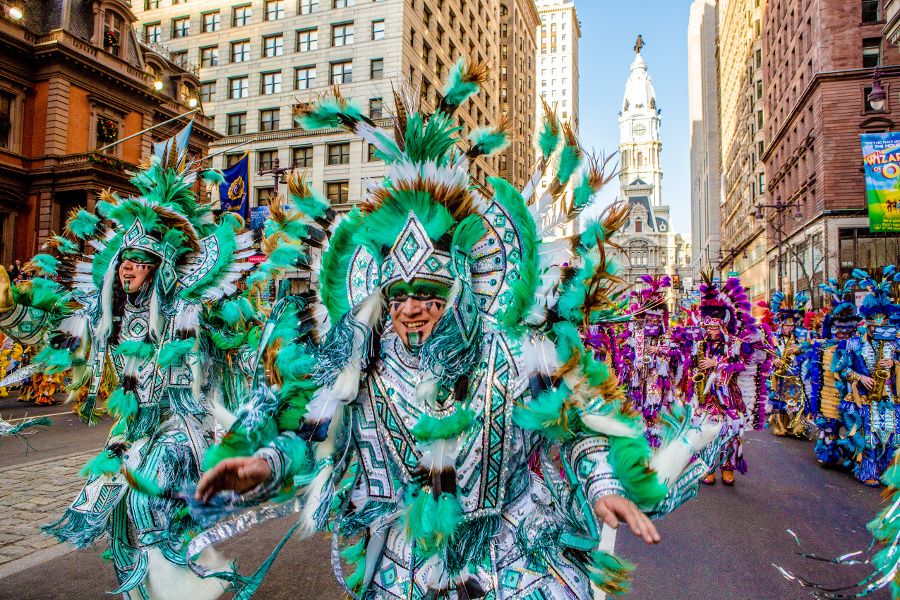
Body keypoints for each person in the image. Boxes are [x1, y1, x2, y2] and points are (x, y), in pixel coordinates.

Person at [188, 63, 723, 598]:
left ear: (462, 291)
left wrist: (603, 486)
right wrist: (262, 467)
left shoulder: (513, 353)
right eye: (398, 296)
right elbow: (308, 437)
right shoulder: (362, 366)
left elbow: (576, 430)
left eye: (429, 295)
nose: (411, 310)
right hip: (405, 569)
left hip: (511, 555)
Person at [0, 142, 256, 598]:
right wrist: (10, 311)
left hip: (184, 423)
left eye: (139, 263)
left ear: (158, 269)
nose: (128, 270)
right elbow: (60, 335)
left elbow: (227, 344)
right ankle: (158, 585)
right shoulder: (110, 315)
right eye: (124, 262)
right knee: (121, 513)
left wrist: (228, 327)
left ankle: (178, 585)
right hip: (134, 428)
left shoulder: (185, 311)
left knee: (145, 495)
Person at [840, 268, 900, 485]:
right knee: (869, 436)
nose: (879, 323)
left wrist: (894, 363)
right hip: (864, 397)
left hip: (888, 397)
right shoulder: (855, 342)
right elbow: (842, 370)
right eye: (875, 319)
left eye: (883, 319)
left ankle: (886, 472)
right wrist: (860, 378)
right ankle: (867, 471)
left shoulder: (895, 343)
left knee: (892, 435)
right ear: (868, 320)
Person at [690, 273, 748, 486]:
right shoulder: (701, 342)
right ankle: (708, 467)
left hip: (727, 396)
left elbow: (741, 364)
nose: (712, 331)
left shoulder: (733, 342)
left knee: (729, 432)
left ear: (723, 324)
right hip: (705, 396)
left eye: (716, 327)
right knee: (705, 431)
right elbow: (691, 363)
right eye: (709, 327)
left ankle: (727, 467)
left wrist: (717, 365)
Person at [619, 275, 686, 447]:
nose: (653, 322)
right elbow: (626, 355)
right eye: (650, 319)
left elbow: (678, 354)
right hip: (640, 383)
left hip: (659, 385)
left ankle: (658, 444)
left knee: (658, 413)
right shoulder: (637, 335)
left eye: (656, 319)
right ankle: (641, 445)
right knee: (639, 413)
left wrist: (660, 351)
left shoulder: (666, 335)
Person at [805, 279, 860, 468]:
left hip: (852, 395)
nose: (843, 336)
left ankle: (852, 455)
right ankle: (828, 452)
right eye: (839, 332)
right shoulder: (823, 347)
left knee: (853, 427)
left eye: (847, 332)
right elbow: (814, 372)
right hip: (828, 394)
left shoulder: (858, 347)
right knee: (829, 426)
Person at [768, 291, 810, 438]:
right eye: (786, 325)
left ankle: (798, 427)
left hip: (796, 375)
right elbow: (767, 353)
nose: (789, 328)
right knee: (779, 402)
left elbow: (809, 352)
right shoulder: (774, 338)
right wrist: (774, 360)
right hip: (779, 375)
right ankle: (780, 426)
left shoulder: (800, 338)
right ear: (781, 324)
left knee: (798, 402)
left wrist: (800, 350)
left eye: (792, 325)